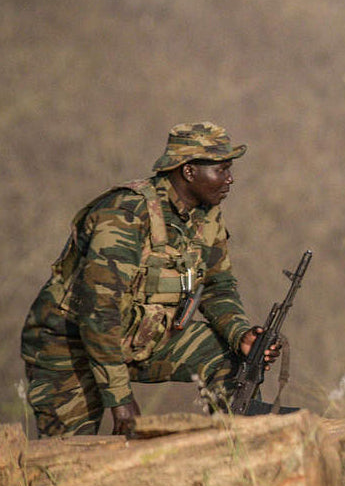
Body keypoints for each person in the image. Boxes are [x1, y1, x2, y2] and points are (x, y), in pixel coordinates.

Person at [21, 122, 280, 436]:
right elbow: (99, 313)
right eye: (221, 169)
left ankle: (235, 445)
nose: (230, 178)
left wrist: (240, 335)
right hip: (69, 345)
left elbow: (217, 286)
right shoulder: (125, 214)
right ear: (188, 172)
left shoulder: (206, 215)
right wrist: (120, 400)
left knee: (233, 357)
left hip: (141, 337)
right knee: (68, 456)